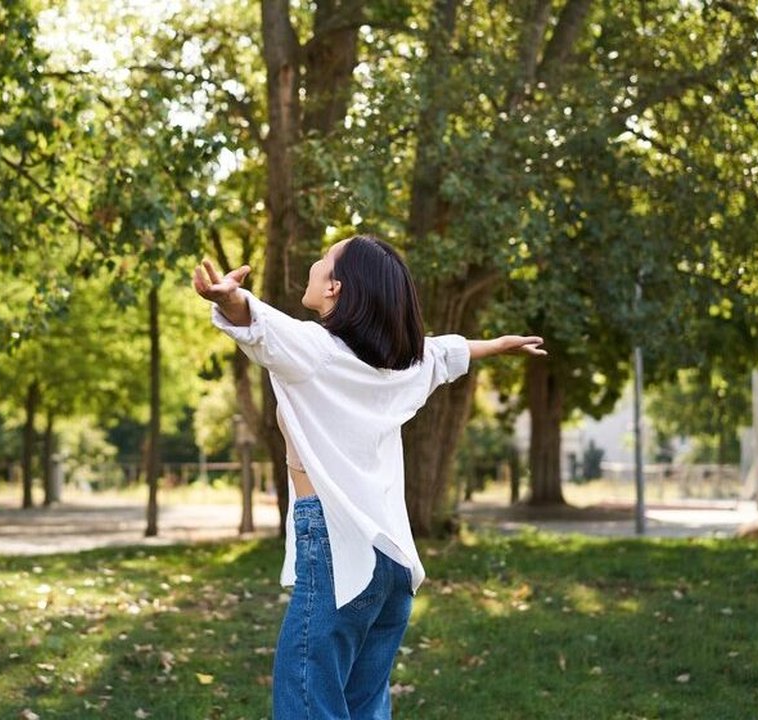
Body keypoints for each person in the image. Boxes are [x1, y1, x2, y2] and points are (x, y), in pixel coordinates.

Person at [192, 235, 545, 719]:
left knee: (307, 698)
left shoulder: (316, 352)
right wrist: (497, 347)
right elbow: (442, 353)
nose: (314, 265)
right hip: (392, 562)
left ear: (335, 287)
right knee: (362, 708)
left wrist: (231, 299)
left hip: (339, 550)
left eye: (323, 260)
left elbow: (260, 324)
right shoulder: (399, 367)